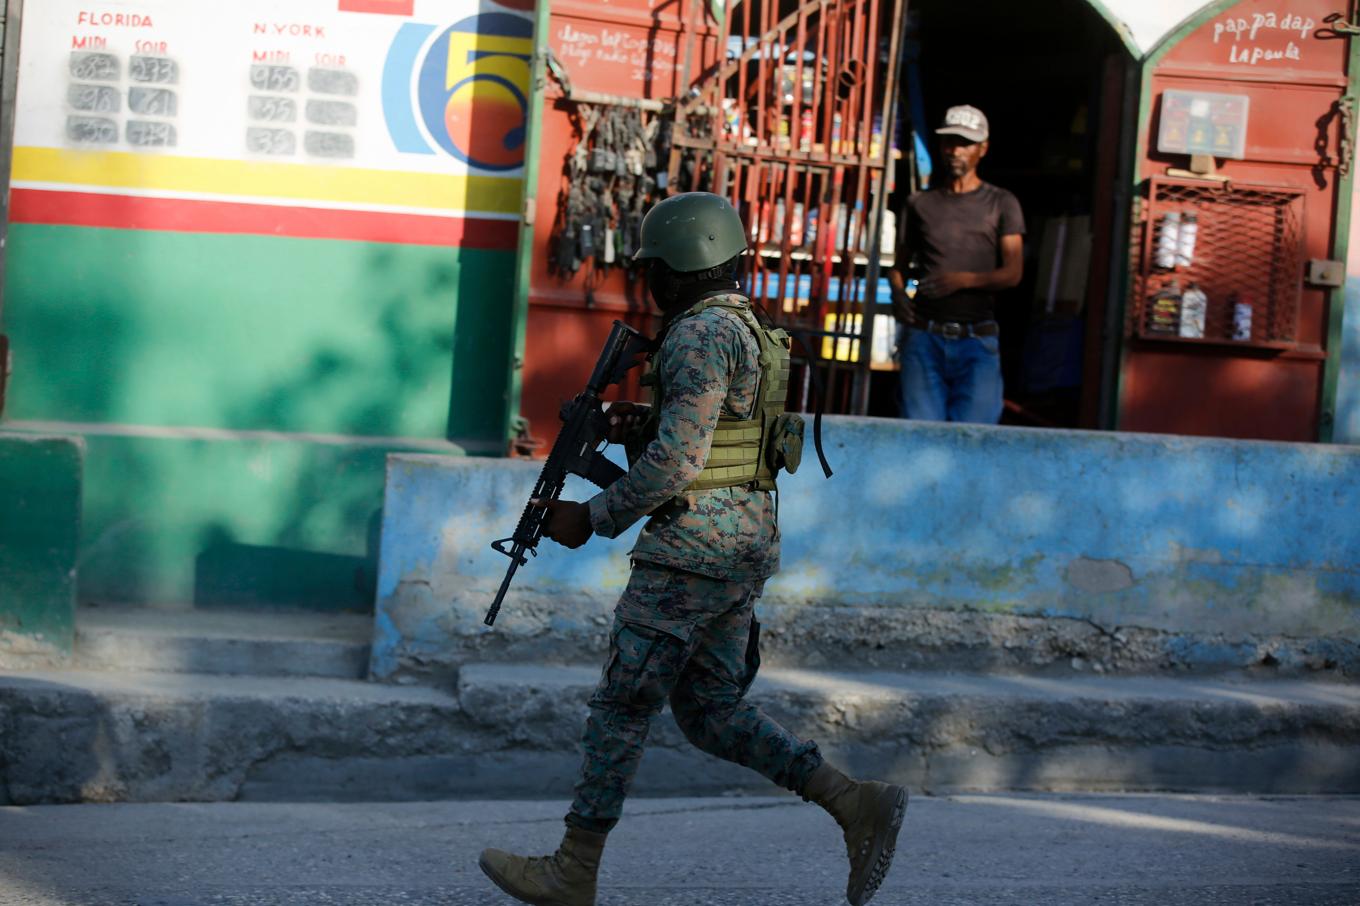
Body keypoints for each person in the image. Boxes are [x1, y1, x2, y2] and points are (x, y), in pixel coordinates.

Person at [478, 192, 907, 906]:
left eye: (654, 269)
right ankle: (853, 802)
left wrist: (591, 517)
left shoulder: (696, 335)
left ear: (681, 266)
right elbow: (716, 435)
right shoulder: (746, 330)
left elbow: (679, 465)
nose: (649, 284)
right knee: (711, 712)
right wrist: (634, 425)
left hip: (690, 551)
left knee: (622, 704)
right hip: (741, 545)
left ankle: (572, 871)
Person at [887, 104, 1025, 423]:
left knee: (974, 440)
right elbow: (899, 266)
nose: (955, 151)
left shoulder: (1002, 203)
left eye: (964, 143)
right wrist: (898, 295)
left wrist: (963, 280)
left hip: (978, 341)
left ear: (983, 149)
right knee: (921, 439)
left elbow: (1013, 273)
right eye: (949, 142)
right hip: (924, 338)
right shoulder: (920, 203)